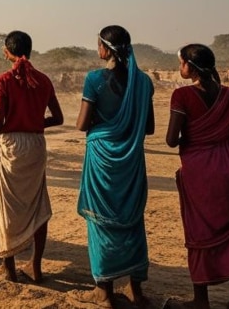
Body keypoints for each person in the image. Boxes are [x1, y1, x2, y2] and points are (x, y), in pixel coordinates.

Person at [166, 45, 229, 309]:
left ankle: (201, 299)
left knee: (200, 231)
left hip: (199, 172)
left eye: (181, 63)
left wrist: (200, 145)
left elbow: (172, 140)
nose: (180, 68)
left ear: (190, 68)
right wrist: (222, 144)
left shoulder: (182, 95)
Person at [75, 25, 156, 308]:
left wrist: (102, 123)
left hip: (101, 158)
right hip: (132, 158)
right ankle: (136, 289)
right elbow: (149, 127)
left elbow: (82, 124)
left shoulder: (94, 79)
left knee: (100, 221)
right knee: (133, 219)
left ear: (105, 49)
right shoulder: (144, 82)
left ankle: (104, 291)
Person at [0, 31, 63, 282]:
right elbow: (59, 117)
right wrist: (37, 123)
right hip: (35, 143)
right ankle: (35, 266)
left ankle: (9, 267)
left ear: (7, 52)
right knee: (38, 205)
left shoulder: (4, 80)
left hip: (11, 143)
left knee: (7, 206)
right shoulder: (43, 80)